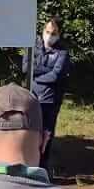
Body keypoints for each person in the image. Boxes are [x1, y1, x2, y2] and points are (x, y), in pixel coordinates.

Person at [26, 19, 72, 173]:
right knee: (31, 130)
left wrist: (37, 74)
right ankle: (30, 164)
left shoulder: (63, 52)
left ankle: (43, 167)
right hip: (32, 96)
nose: (50, 36)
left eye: (54, 33)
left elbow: (56, 75)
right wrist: (45, 70)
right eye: (47, 32)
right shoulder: (33, 46)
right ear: (42, 31)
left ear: (59, 34)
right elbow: (26, 67)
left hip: (50, 100)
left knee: (46, 134)